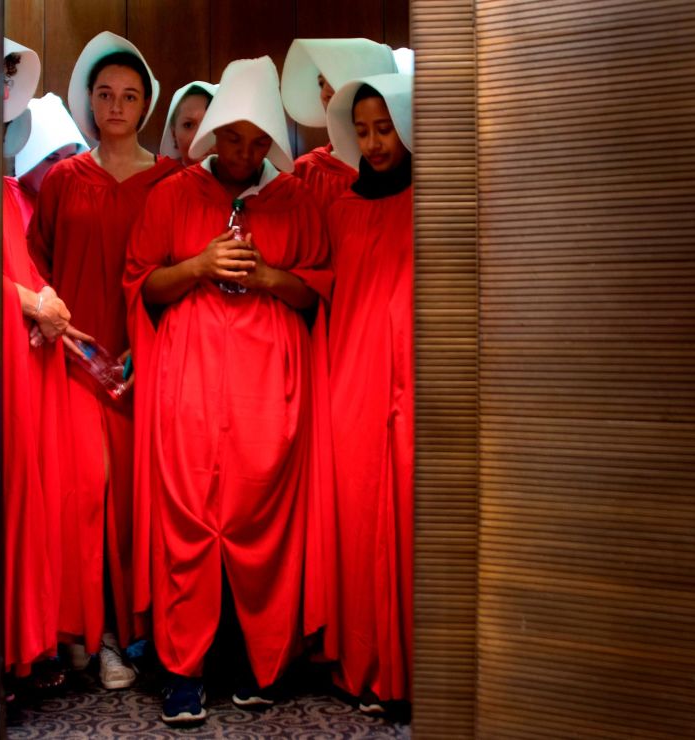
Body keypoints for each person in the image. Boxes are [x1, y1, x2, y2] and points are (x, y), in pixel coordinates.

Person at [124, 56, 333, 725]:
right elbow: (141, 284)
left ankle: (259, 663)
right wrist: (197, 264)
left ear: (271, 142)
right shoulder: (171, 196)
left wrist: (269, 276)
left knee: (261, 523)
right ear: (213, 134)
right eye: (232, 137)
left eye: (256, 141)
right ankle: (183, 672)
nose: (243, 153)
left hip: (268, 391)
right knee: (188, 522)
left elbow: (317, 291)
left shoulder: (296, 201)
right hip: (190, 387)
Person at [28, 31, 178, 691]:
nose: (116, 105)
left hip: (149, 366)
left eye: (130, 95)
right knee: (80, 500)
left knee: (136, 510)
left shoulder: (171, 181)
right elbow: (37, 267)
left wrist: (158, 346)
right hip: (74, 363)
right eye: (105, 94)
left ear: (146, 105)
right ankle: (83, 634)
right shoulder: (63, 179)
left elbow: (179, 270)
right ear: (90, 100)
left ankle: (130, 635)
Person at [323, 72, 414, 716]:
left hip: (415, 378)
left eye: (384, 129)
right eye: (362, 131)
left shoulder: (435, 201)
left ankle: (417, 670)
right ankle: (364, 666)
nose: (374, 143)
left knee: (413, 522)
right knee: (357, 524)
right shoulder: (340, 209)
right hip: (352, 381)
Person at [0, 38, 82, 693]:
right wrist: (28, 300)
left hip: (29, 366)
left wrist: (42, 303)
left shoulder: (0, 187)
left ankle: (29, 647)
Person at [280, 38, 397, 211]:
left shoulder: (401, 167)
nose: (326, 93)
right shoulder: (307, 170)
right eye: (321, 83)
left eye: (334, 79)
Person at [10, 92, 89, 230]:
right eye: (51, 158)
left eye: (69, 158)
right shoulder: (2, 201)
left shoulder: (79, 208)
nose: (62, 169)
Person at [158, 81, 217, 166]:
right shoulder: (163, 178)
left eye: (210, 123)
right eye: (188, 125)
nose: (201, 136)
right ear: (174, 134)